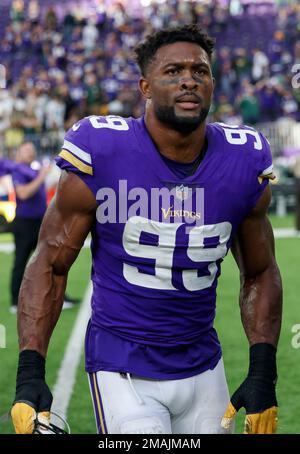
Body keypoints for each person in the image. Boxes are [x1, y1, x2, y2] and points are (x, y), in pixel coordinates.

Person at [11, 25, 282, 435]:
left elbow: (260, 270)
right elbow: (50, 261)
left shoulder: (244, 159)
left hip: (203, 363)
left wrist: (264, 371)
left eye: (200, 71)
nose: (189, 79)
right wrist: (30, 374)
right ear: (146, 87)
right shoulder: (104, 150)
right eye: (173, 71)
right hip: (123, 366)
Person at [4, 143, 78, 313]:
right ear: (19, 153)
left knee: (50, 260)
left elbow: (42, 189)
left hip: (39, 222)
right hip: (24, 223)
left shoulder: (32, 170)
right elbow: (23, 193)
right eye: (27, 150)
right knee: (21, 262)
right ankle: (15, 301)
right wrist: (42, 176)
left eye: (32, 150)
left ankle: (58, 297)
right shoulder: (19, 170)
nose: (31, 153)